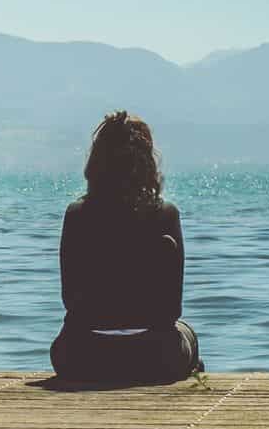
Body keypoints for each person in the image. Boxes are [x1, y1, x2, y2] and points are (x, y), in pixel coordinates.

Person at [50, 110, 202, 382]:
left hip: (82, 355)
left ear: (96, 162)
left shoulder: (77, 215)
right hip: (154, 356)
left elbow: (69, 299)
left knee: (61, 345)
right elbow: (172, 310)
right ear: (147, 163)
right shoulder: (165, 214)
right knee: (187, 332)